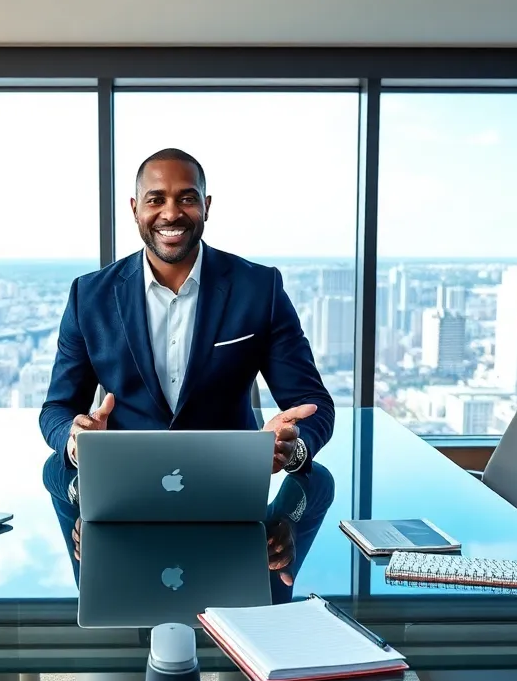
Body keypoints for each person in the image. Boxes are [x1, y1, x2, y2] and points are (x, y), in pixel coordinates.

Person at [40, 147, 336, 582]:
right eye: (156, 199)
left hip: (231, 497)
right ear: (135, 208)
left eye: (186, 198)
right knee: (57, 469)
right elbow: (56, 409)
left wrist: (293, 446)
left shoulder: (259, 288)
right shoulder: (90, 296)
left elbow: (313, 404)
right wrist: (75, 437)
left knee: (314, 490)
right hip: (122, 499)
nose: (171, 213)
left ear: (206, 206)